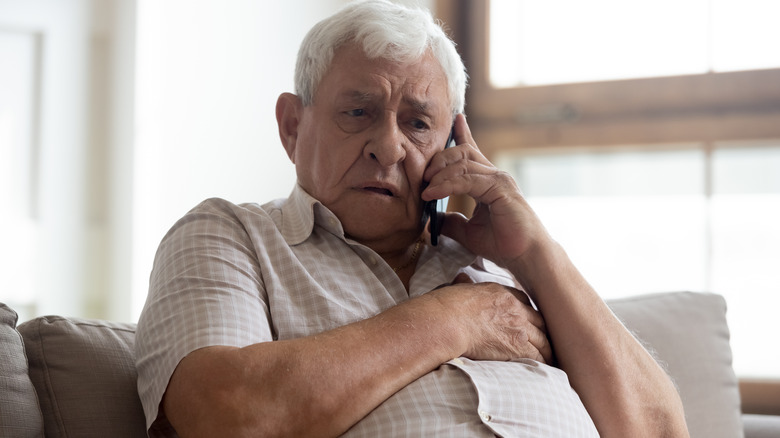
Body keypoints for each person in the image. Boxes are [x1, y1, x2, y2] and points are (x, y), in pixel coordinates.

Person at [135, 1, 690, 437]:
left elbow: (659, 432)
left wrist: (536, 254)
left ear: (454, 140)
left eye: (419, 123)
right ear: (292, 127)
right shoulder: (230, 235)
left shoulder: (507, 266)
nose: (389, 147)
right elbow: (226, 416)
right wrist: (460, 320)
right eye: (359, 112)